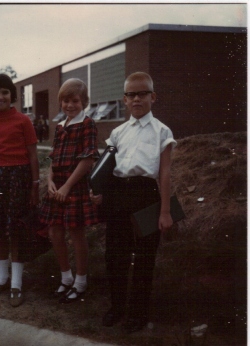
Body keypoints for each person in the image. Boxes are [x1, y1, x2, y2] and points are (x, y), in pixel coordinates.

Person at [91, 72, 177, 333]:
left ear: (153, 97)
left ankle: (138, 313)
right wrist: (99, 191)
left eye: (142, 94)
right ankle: (117, 307)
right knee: (115, 254)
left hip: (146, 194)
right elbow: (107, 167)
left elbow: (164, 174)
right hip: (119, 194)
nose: (136, 98)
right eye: (131, 94)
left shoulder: (162, 131)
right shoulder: (117, 132)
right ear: (124, 100)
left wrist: (165, 211)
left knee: (144, 257)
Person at [0, 74, 40, 307]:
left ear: (12, 95)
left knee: (16, 230)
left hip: (18, 179)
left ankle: (16, 284)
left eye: (4, 92)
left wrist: (35, 185)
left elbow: (33, 155)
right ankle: (2, 280)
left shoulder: (23, 121)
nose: (0, 97)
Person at [39, 78, 100, 304]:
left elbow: (88, 160)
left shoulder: (87, 124)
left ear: (83, 102)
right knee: (54, 233)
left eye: (75, 101)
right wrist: (50, 180)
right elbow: (54, 157)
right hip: (58, 187)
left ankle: (81, 282)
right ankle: (66, 277)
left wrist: (67, 186)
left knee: (76, 235)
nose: (70, 105)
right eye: (65, 100)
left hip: (75, 186)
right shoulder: (60, 126)